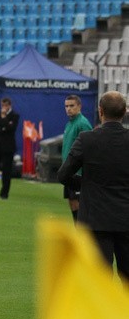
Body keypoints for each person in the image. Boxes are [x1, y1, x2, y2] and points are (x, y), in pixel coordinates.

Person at [57, 91, 129, 283]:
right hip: (125, 217)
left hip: (95, 218)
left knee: (99, 280)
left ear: (100, 111)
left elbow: (63, 174)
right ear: (124, 111)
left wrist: (85, 184)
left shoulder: (87, 139)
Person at [61, 94, 93, 223]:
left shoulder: (83, 124)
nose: (68, 109)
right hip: (69, 171)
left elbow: (90, 148)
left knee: (79, 205)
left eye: (72, 106)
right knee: (72, 202)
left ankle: (83, 235)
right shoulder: (70, 123)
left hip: (78, 173)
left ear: (79, 106)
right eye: (66, 106)